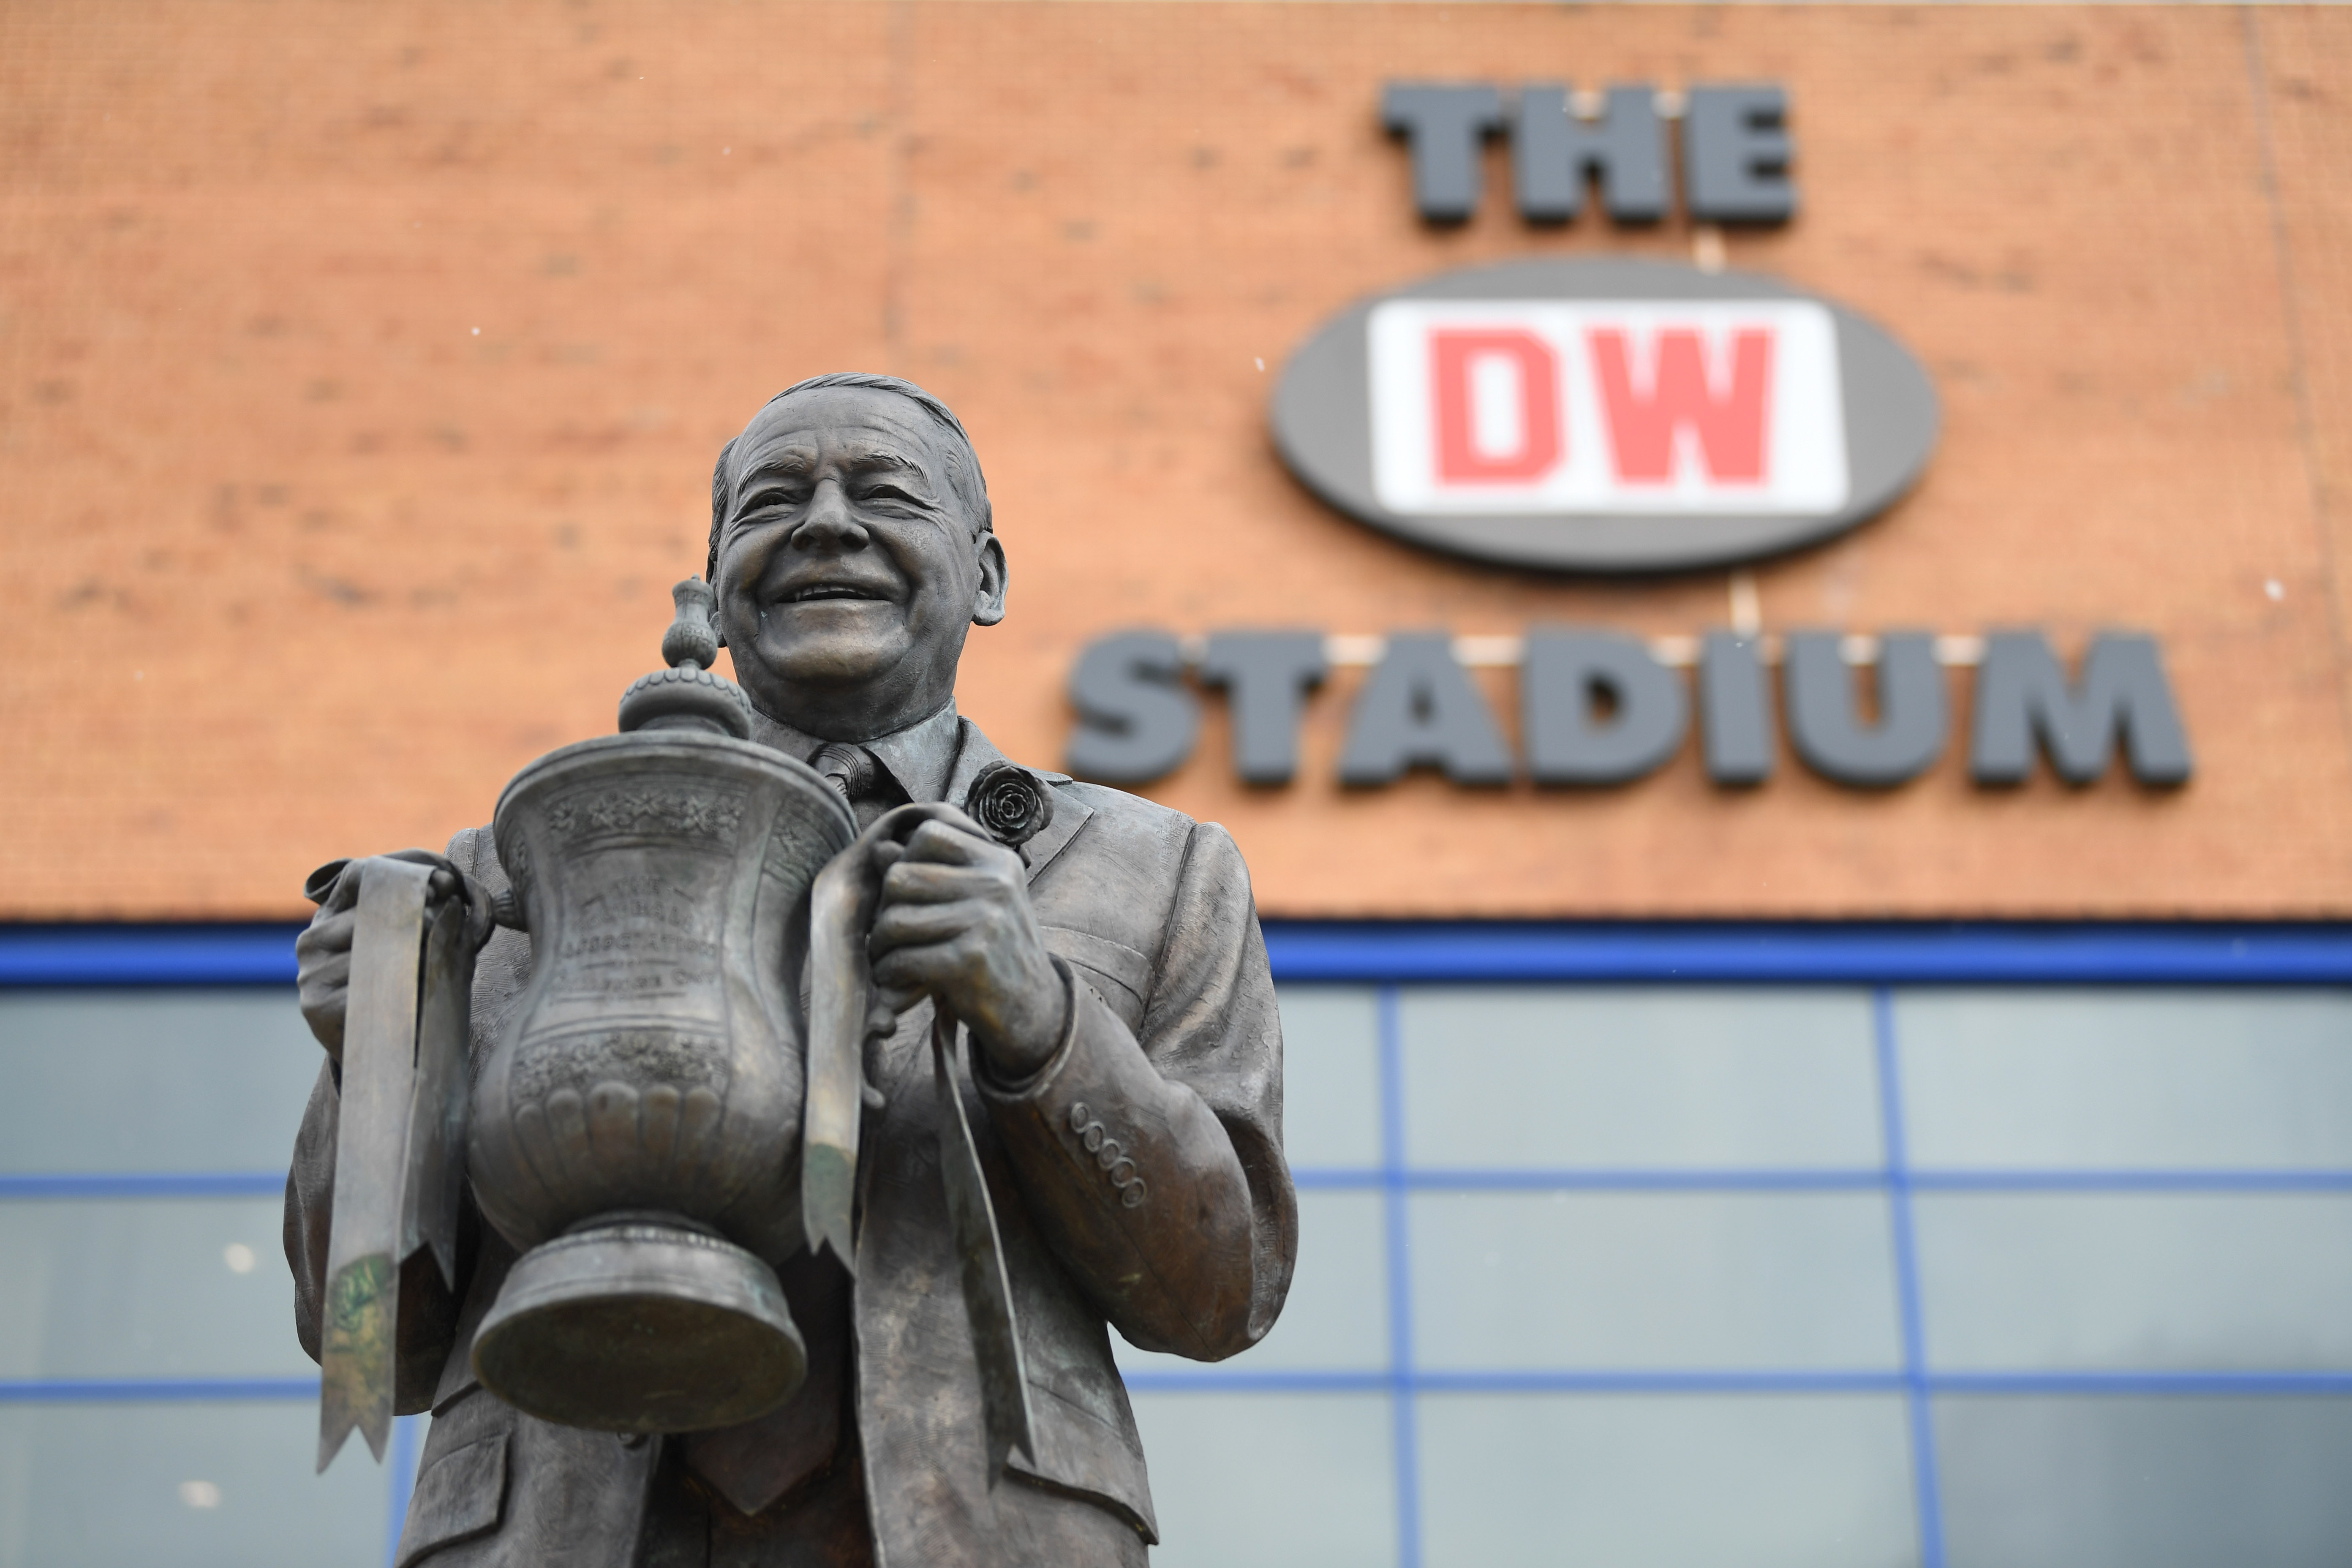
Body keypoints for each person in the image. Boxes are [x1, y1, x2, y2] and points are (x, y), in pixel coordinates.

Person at [286, 373, 1297, 1567]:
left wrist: (1039, 1021)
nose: (825, 522)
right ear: (717, 585)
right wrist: (379, 1078)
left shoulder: (1150, 871)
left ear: (986, 577)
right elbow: (370, 1346)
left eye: (883, 492)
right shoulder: (512, 878)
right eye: (773, 500)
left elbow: (1219, 1293)